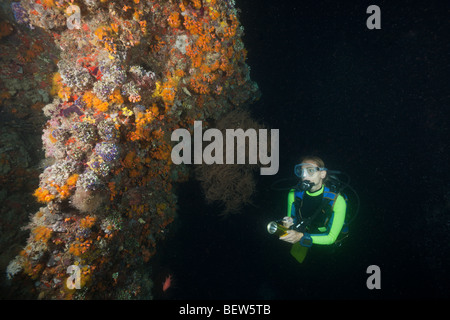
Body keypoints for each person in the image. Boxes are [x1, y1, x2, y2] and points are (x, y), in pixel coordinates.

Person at [279, 156, 347, 263]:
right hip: (302, 238)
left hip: (325, 244)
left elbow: (331, 237)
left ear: (322, 174)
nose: (304, 176)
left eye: (310, 171)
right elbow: (291, 220)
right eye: (301, 172)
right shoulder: (293, 194)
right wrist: (287, 224)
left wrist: (301, 236)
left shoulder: (338, 201)